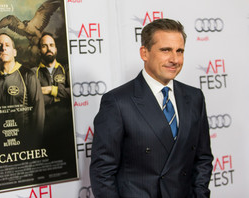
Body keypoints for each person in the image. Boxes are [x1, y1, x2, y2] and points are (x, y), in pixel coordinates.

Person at [90, 19, 213, 198]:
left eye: (179, 51)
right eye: (165, 50)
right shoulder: (118, 102)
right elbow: (102, 171)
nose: (174, 59)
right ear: (144, 53)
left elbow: (203, 159)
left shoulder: (194, 98)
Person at [0, 33, 45, 149]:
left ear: (14, 52)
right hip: (1, 147)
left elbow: (38, 112)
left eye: (7, 45)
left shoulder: (28, 75)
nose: (3, 48)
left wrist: (35, 144)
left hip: (24, 144)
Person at [33, 32, 74, 156]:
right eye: (44, 46)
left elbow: (73, 92)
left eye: (51, 45)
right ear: (39, 50)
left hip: (66, 126)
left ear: (56, 48)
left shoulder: (66, 69)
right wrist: (61, 94)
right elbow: (32, 97)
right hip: (44, 127)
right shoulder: (33, 73)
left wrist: (51, 90)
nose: (49, 48)